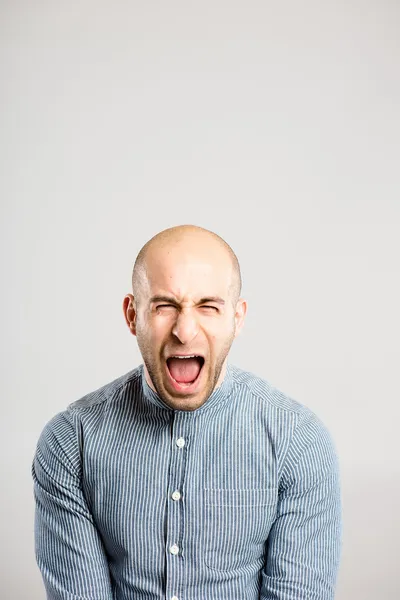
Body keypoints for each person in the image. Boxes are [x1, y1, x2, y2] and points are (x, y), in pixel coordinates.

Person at [32, 224, 342, 600]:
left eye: (208, 306)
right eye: (165, 306)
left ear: (237, 318)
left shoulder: (299, 441)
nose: (184, 330)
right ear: (132, 315)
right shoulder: (71, 441)